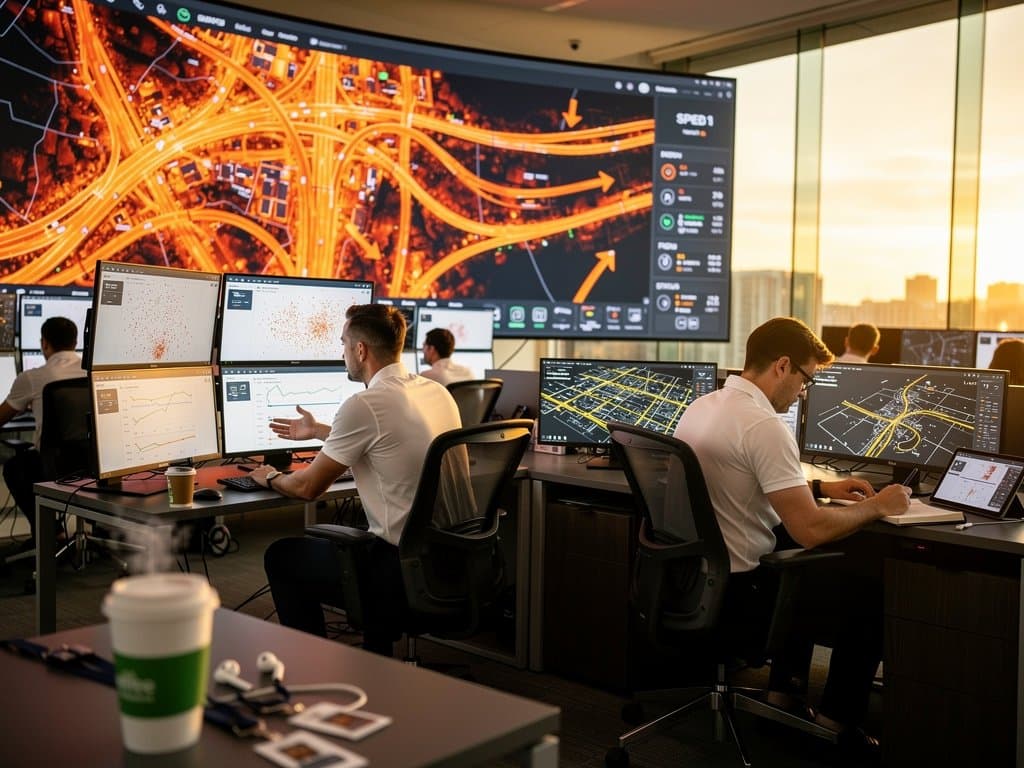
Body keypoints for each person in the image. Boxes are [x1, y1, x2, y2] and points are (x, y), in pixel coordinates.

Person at [673, 316, 910, 747]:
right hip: (740, 595)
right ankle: (839, 724)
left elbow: (741, 478)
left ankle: (783, 693)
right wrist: (880, 505)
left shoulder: (704, 406)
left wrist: (819, 487)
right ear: (782, 366)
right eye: (806, 379)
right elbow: (811, 529)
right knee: (867, 593)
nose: (803, 392)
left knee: (793, 557)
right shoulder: (763, 425)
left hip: (691, 578)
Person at [255, 304, 463, 655]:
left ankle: (312, 665)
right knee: (362, 544)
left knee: (282, 556)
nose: (342, 352)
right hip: (452, 560)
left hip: (400, 571)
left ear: (361, 350)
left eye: (343, 344)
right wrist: (321, 431)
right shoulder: (435, 391)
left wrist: (270, 476)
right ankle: (374, 659)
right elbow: (389, 439)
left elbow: (308, 488)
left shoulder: (365, 403)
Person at [0, 317, 86, 548]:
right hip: (92, 464)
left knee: (14, 467)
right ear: (75, 341)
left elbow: (1, 417)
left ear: (44, 344)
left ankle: (49, 533)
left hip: (54, 467)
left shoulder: (32, 377)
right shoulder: (91, 371)